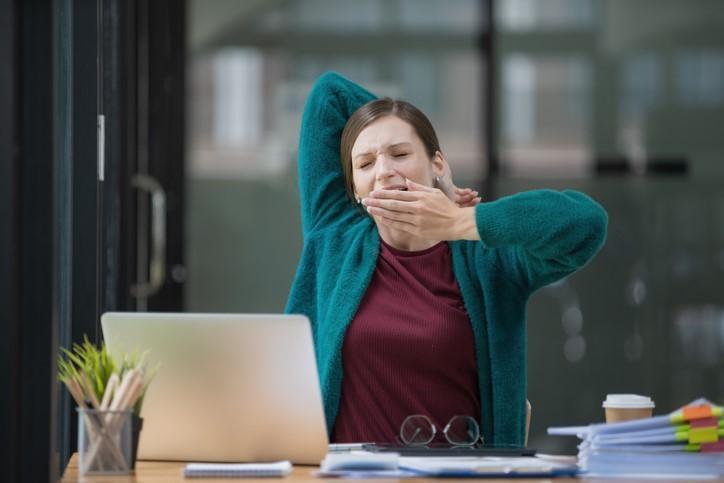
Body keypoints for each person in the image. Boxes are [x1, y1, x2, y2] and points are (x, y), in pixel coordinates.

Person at [285, 72, 608, 447]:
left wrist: (463, 220)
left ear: (438, 164)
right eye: (366, 162)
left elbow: (586, 224)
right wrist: (392, 114)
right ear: (354, 188)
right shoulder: (333, 236)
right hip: (348, 473)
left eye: (401, 154)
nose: (384, 170)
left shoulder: (487, 260)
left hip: (459, 473)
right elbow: (329, 94)